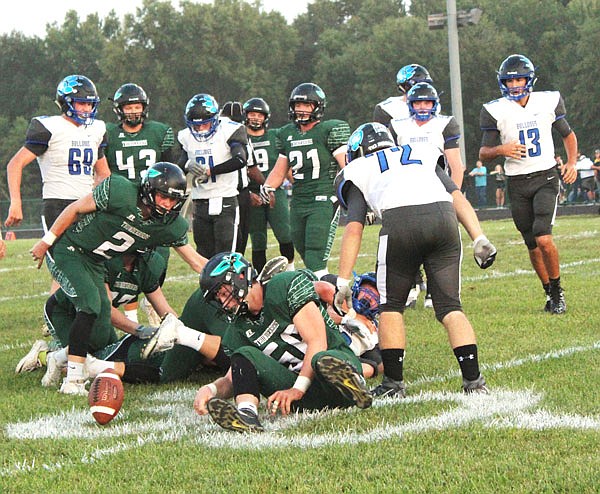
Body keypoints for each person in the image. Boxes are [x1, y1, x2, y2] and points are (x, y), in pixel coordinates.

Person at [333, 122, 495, 398]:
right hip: (443, 219)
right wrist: (478, 236)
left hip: (400, 223)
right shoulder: (422, 151)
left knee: (391, 307)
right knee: (450, 307)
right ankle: (474, 381)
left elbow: (354, 227)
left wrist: (343, 279)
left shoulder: (357, 169)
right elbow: (455, 195)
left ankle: (394, 384)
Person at [29, 162, 207, 395]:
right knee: (91, 304)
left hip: (94, 261)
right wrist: (46, 241)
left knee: (100, 320)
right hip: (69, 248)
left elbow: (195, 261)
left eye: (173, 200)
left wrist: (223, 271)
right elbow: (74, 209)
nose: (167, 204)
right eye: (163, 197)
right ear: (148, 190)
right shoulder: (120, 191)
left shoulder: (169, 225)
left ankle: (58, 357)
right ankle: (72, 381)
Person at [193, 252, 372, 432]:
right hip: (302, 396)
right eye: (219, 299)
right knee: (243, 355)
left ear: (240, 277)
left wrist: (298, 389)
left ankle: (354, 384)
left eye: (224, 293)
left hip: (330, 372)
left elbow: (317, 341)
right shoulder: (237, 329)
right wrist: (211, 389)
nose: (225, 303)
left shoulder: (284, 285)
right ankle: (247, 415)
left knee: (322, 359)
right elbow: (232, 378)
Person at [479, 54, 577, 314]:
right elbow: (483, 153)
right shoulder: (496, 110)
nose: (514, 85)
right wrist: (502, 148)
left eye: (519, 79)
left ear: (529, 79)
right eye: (510, 81)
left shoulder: (546, 102)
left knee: (544, 237)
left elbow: (568, 135)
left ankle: (558, 292)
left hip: (545, 177)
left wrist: (572, 163)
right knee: (532, 243)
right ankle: (549, 292)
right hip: (517, 183)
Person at [5, 75, 111, 291]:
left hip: (87, 204)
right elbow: (15, 164)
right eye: (81, 102)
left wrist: (103, 198)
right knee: (66, 267)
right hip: (58, 204)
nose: (86, 108)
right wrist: (16, 202)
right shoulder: (49, 127)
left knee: (91, 266)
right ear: (65, 103)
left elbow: (103, 173)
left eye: (90, 103)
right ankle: (55, 319)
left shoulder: (97, 129)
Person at [388, 82, 466, 308]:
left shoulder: (444, 124)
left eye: (427, 102)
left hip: (437, 190)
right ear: (410, 104)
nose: (423, 107)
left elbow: (456, 166)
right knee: (408, 240)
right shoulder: (398, 126)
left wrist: (454, 196)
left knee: (438, 242)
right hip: (407, 191)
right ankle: (411, 286)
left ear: (435, 104)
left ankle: (435, 289)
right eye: (418, 102)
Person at [261, 83, 351, 278]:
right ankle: (327, 294)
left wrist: (359, 198)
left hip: (324, 198)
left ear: (317, 107)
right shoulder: (287, 134)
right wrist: (267, 187)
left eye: (306, 105)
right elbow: (281, 168)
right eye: (297, 105)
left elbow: (348, 168)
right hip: (299, 200)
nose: (300, 110)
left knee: (315, 257)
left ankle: (335, 300)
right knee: (302, 250)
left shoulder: (329, 130)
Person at [105, 82, 177, 323]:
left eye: (137, 106)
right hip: (123, 204)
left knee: (159, 258)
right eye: (128, 107)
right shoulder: (108, 134)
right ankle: (129, 315)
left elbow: (170, 168)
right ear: (119, 110)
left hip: (155, 202)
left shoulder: (159, 132)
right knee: (125, 259)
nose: (133, 111)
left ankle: (151, 298)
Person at [177, 94, 249, 258]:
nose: (201, 129)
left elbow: (240, 159)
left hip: (225, 198)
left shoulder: (230, 129)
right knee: (204, 254)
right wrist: (189, 165)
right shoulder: (186, 136)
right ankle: (208, 285)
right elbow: (180, 163)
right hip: (200, 201)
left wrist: (211, 171)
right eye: (196, 126)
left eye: (205, 124)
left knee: (226, 255)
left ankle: (228, 284)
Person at [242, 97, 295, 273]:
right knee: (257, 239)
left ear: (266, 118)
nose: (256, 118)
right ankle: (260, 279)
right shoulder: (240, 137)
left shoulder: (276, 136)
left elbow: (285, 164)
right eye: (252, 114)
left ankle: (290, 270)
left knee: (284, 233)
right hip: (252, 193)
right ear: (245, 116)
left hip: (274, 190)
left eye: (259, 114)